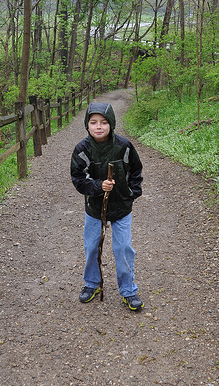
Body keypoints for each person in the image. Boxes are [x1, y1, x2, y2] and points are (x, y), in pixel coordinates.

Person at [70, 102, 144, 310]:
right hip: (94, 208)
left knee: (123, 248)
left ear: (111, 124)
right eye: (93, 122)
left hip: (121, 207)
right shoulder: (82, 150)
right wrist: (97, 186)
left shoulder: (124, 146)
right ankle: (91, 283)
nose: (99, 126)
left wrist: (131, 194)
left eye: (103, 122)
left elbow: (136, 171)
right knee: (92, 246)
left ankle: (128, 290)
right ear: (87, 125)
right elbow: (78, 179)